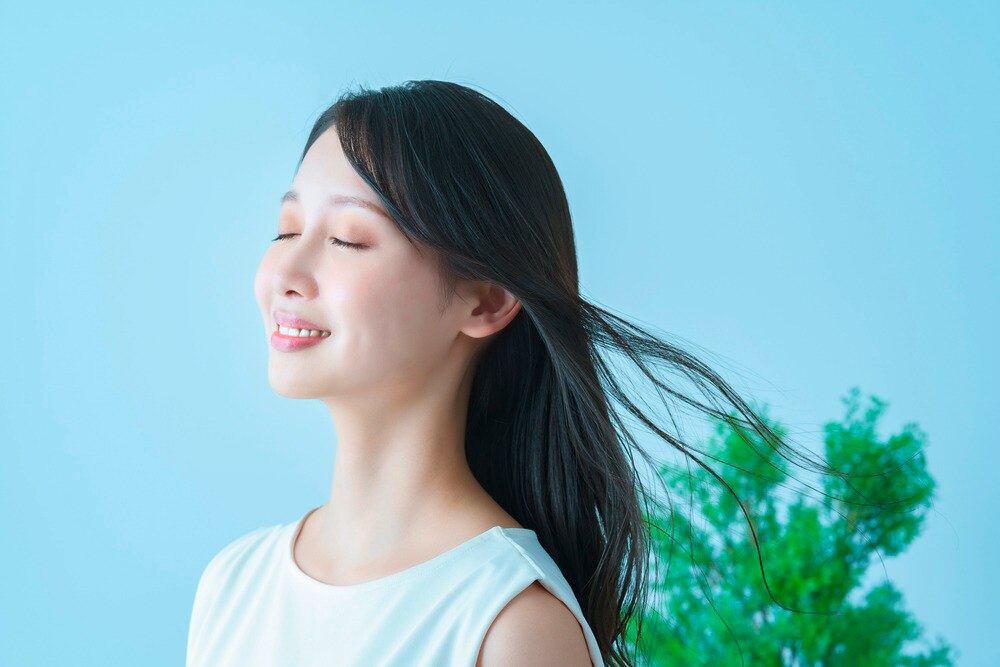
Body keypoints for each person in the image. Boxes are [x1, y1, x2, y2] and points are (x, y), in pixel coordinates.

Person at [185, 80, 800, 667]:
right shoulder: (233, 585)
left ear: (484, 300)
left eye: (348, 239)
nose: (285, 269)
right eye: (286, 229)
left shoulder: (508, 625)